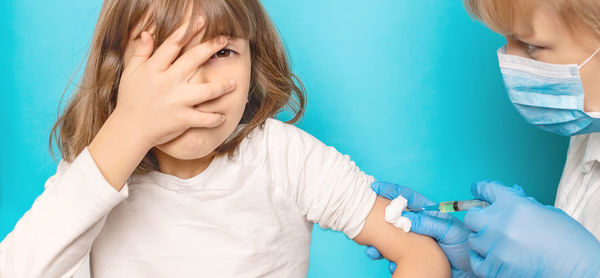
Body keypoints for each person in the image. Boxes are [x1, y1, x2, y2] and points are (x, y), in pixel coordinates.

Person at [0, 0, 451, 277]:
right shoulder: (95, 174)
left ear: (254, 64)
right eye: (164, 54)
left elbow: (422, 254)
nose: (198, 83)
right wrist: (127, 129)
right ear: (118, 71)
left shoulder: (284, 157)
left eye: (222, 52)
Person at [366, 0, 600, 277]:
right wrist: (479, 261)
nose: (509, 61)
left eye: (531, 45)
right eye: (507, 38)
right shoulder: (588, 131)